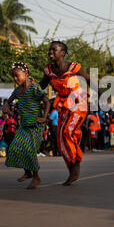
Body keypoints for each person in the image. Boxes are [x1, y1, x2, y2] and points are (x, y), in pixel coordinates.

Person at [39, 41, 98, 186]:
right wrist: (25, 95)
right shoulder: (48, 70)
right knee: (60, 139)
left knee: (67, 131)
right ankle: (72, 169)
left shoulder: (73, 67)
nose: (50, 52)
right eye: (50, 50)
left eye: (54, 50)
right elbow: (41, 86)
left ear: (63, 53)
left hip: (78, 103)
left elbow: (90, 80)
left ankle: (76, 164)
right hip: (63, 105)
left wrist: (104, 96)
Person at [6, 62, 50, 189]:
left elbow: (47, 102)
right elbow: (8, 101)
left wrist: (44, 117)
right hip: (24, 125)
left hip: (36, 125)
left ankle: (36, 177)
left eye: (17, 75)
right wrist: (6, 106)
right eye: (13, 76)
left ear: (26, 74)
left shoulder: (35, 88)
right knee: (16, 148)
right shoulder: (18, 90)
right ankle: (28, 172)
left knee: (29, 149)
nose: (15, 79)